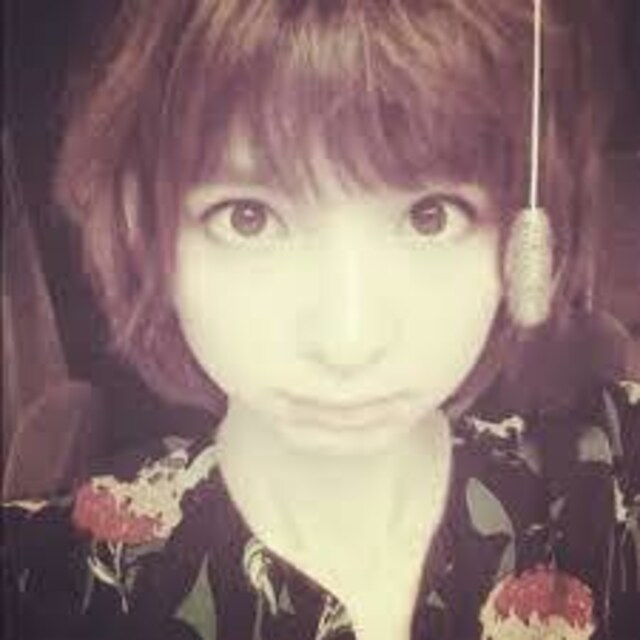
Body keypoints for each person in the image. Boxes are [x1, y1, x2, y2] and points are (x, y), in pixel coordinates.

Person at [3, 1, 638, 639]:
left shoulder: (609, 490)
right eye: (248, 217)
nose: (347, 342)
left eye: (431, 216)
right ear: (148, 230)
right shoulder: (47, 581)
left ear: (527, 231)